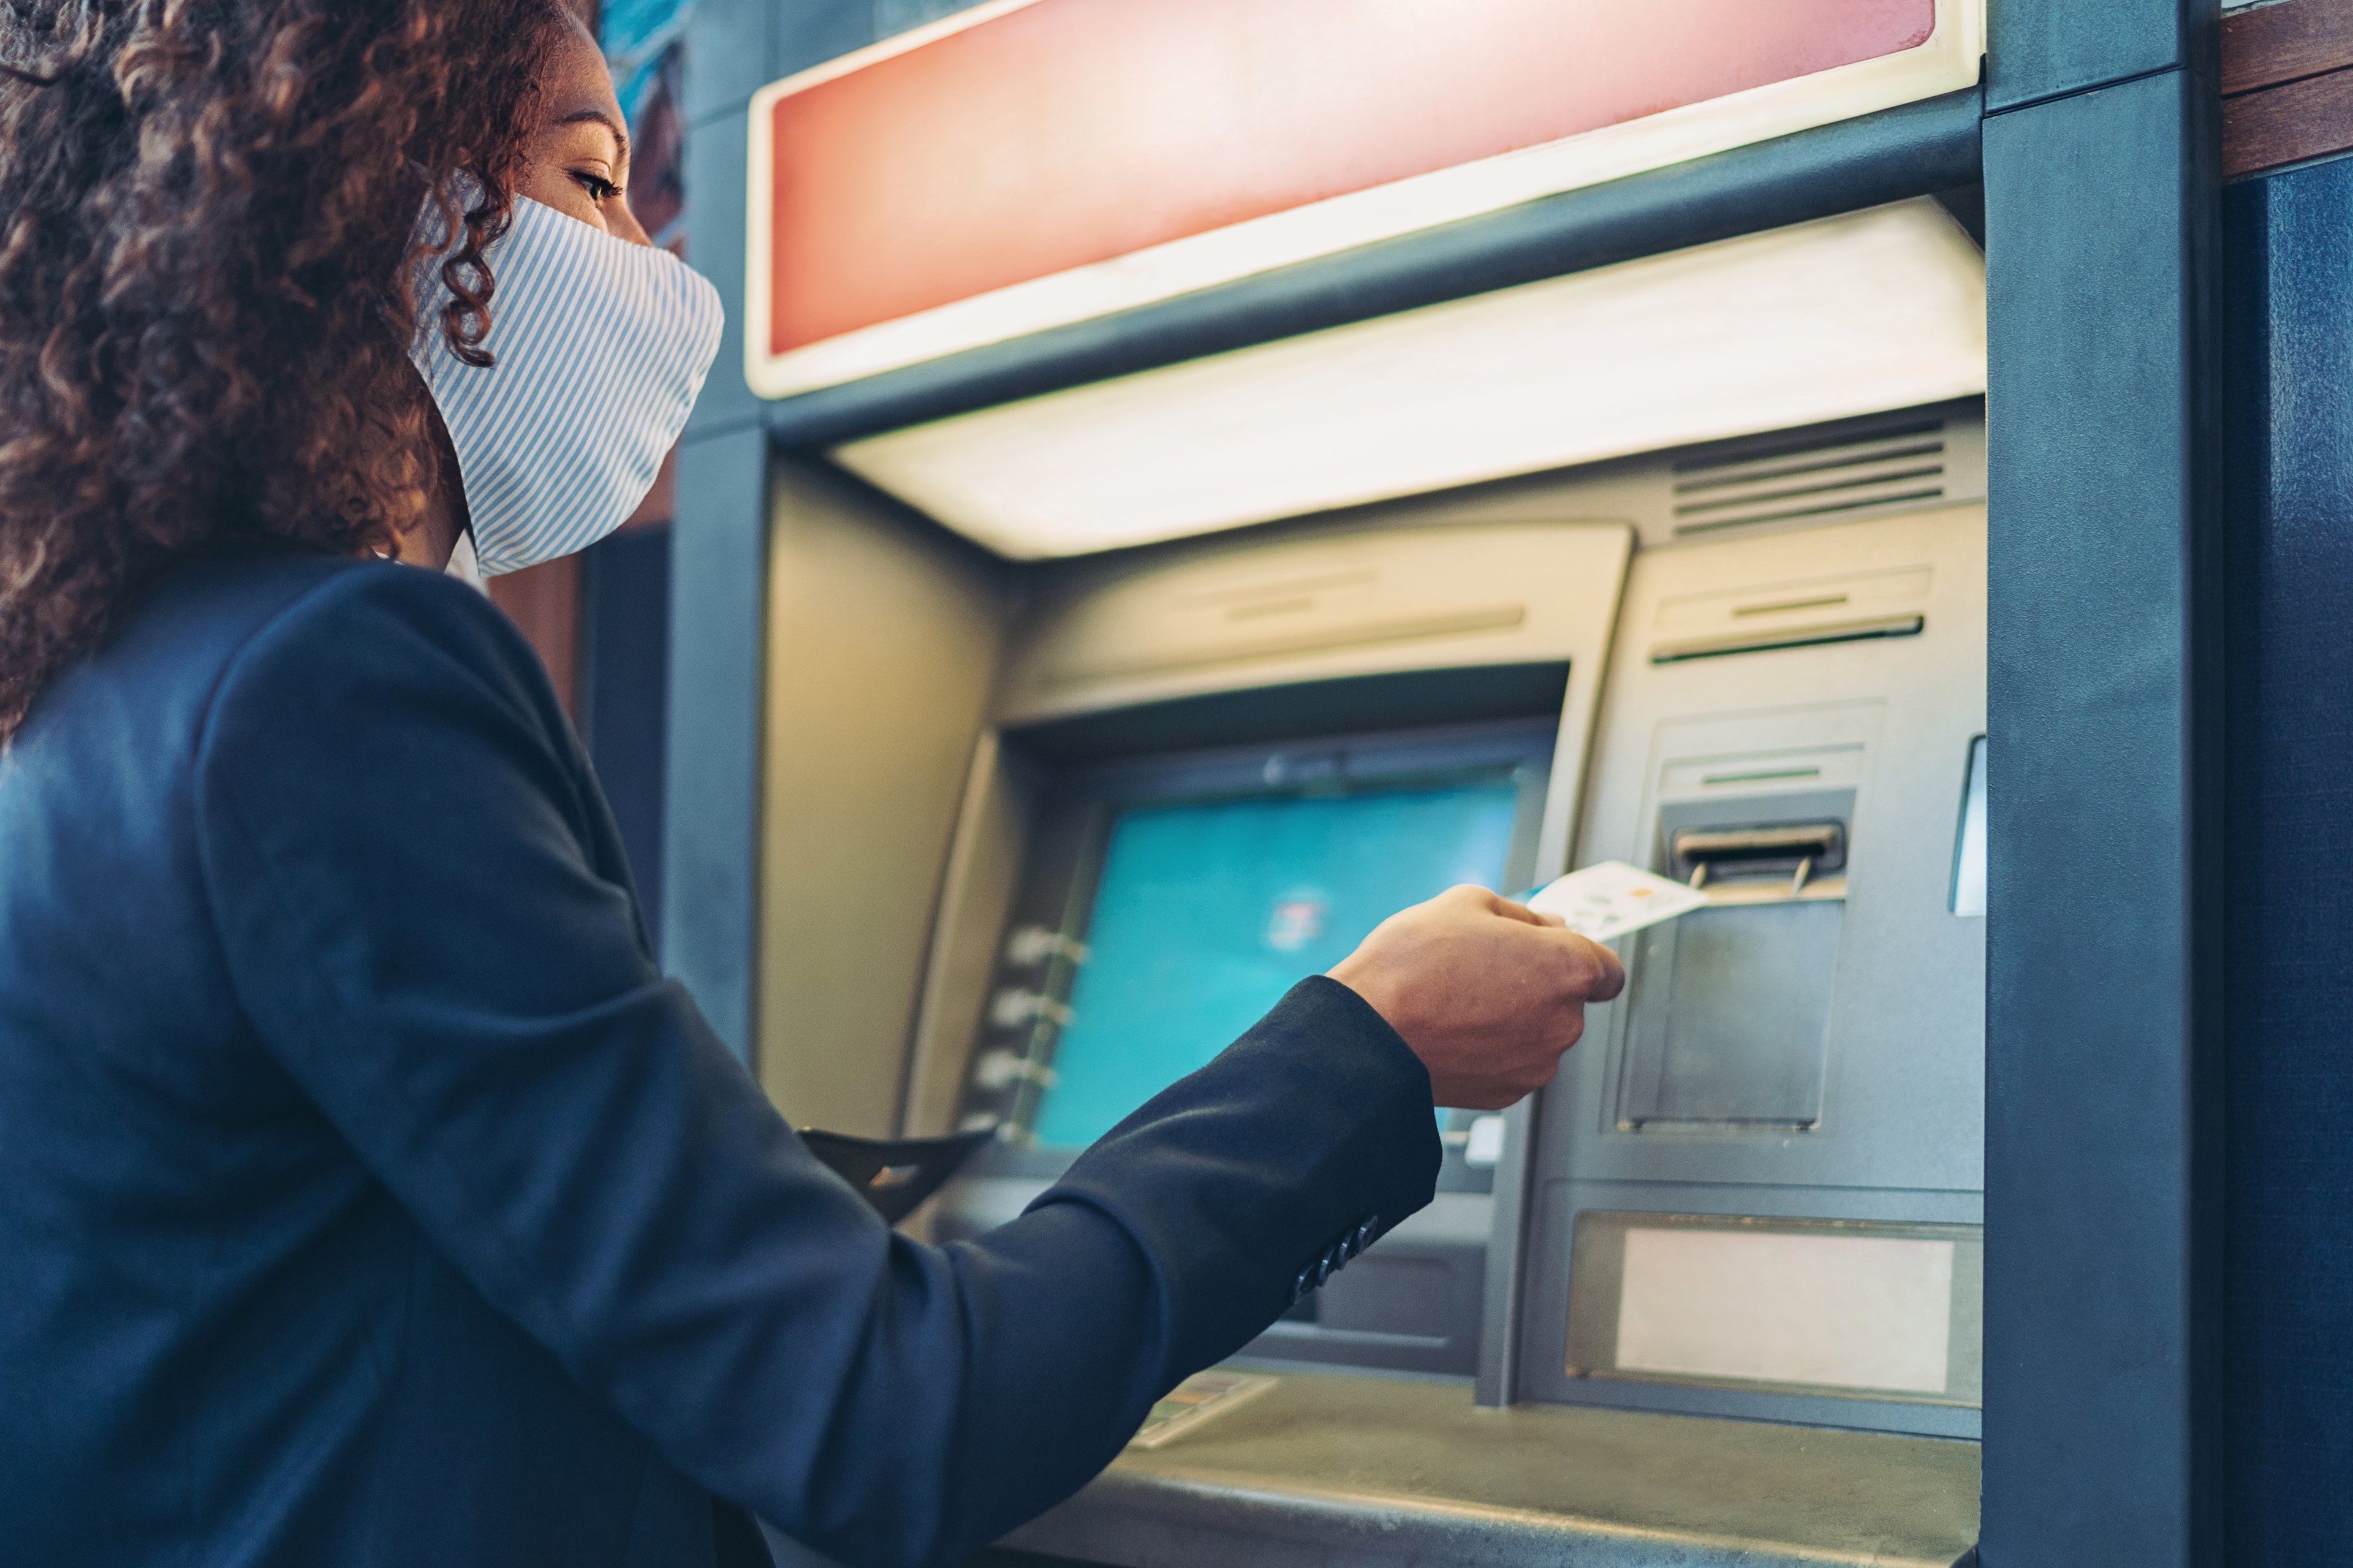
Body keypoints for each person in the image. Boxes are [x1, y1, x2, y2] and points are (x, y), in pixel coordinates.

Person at [0, 6, 1625, 1568]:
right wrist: (1374, 1048)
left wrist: (751, 1222)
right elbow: (890, 1419)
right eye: (591, 180)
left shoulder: (109, 694)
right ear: (371, 211)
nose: (660, 271)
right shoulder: (338, 678)